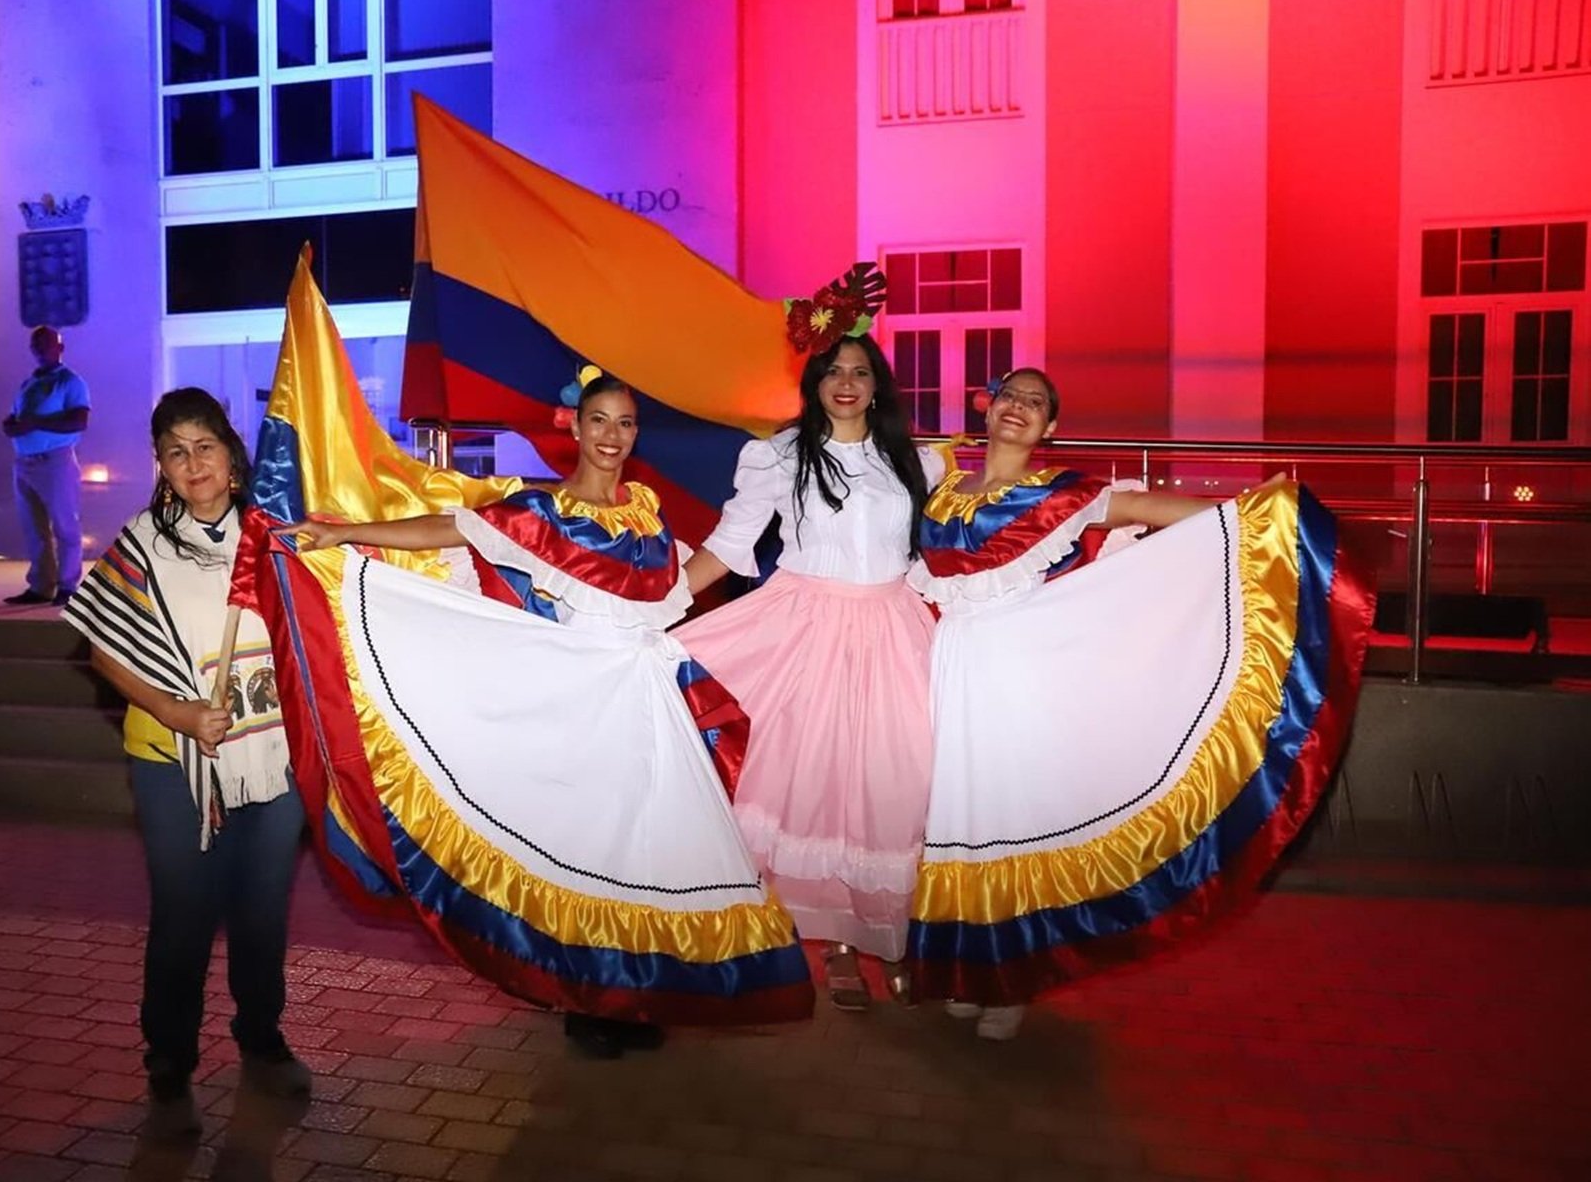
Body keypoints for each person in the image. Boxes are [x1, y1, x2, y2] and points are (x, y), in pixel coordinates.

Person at [285, 368, 810, 1057]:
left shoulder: (645, 510)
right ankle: (587, 993)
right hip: (580, 699)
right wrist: (349, 534)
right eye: (600, 421)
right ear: (574, 426)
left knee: (647, 845)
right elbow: (451, 529)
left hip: (649, 695)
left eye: (625, 424)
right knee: (589, 846)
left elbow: (676, 585)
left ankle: (642, 987)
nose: (612, 437)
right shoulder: (541, 513)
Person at [904, 367, 1373, 1040]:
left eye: (1036, 403)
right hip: (952, 668)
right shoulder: (939, 489)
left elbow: (1158, 513)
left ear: (1050, 428)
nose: (1019, 408)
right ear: (987, 407)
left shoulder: (1066, 496)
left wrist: (1249, 510)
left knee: (1015, 813)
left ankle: (1016, 979)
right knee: (959, 815)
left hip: (1023, 671)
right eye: (1010, 396)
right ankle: (967, 968)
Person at [675, 266, 943, 1010]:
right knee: (814, 790)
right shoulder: (778, 456)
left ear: (878, 385)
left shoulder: (918, 463)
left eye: (860, 372)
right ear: (815, 380)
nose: (847, 383)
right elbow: (730, 546)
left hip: (895, 632)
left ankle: (888, 935)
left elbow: (929, 560)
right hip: (805, 633)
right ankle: (836, 952)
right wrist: (660, 602)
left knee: (895, 787)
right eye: (834, 372)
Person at [61, 388, 311, 1139]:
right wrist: (174, 712)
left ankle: (260, 1039)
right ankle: (168, 1066)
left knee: (263, 913)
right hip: (174, 762)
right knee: (185, 916)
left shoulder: (272, 539)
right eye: (176, 450)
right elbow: (101, 649)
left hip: (273, 757)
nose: (192, 461)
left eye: (204, 445)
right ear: (162, 468)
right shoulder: (142, 547)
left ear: (232, 458)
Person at [4, 325, 90, 605]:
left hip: (55, 462)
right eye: (36, 344)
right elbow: (16, 417)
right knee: (34, 528)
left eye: (47, 344)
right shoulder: (28, 384)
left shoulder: (71, 381)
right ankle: (41, 586)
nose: (41, 349)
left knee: (65, 526)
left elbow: (79, 421)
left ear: (60, 348)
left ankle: (67, 586)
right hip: (24, 463)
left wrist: (36, 424)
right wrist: (11, 425)